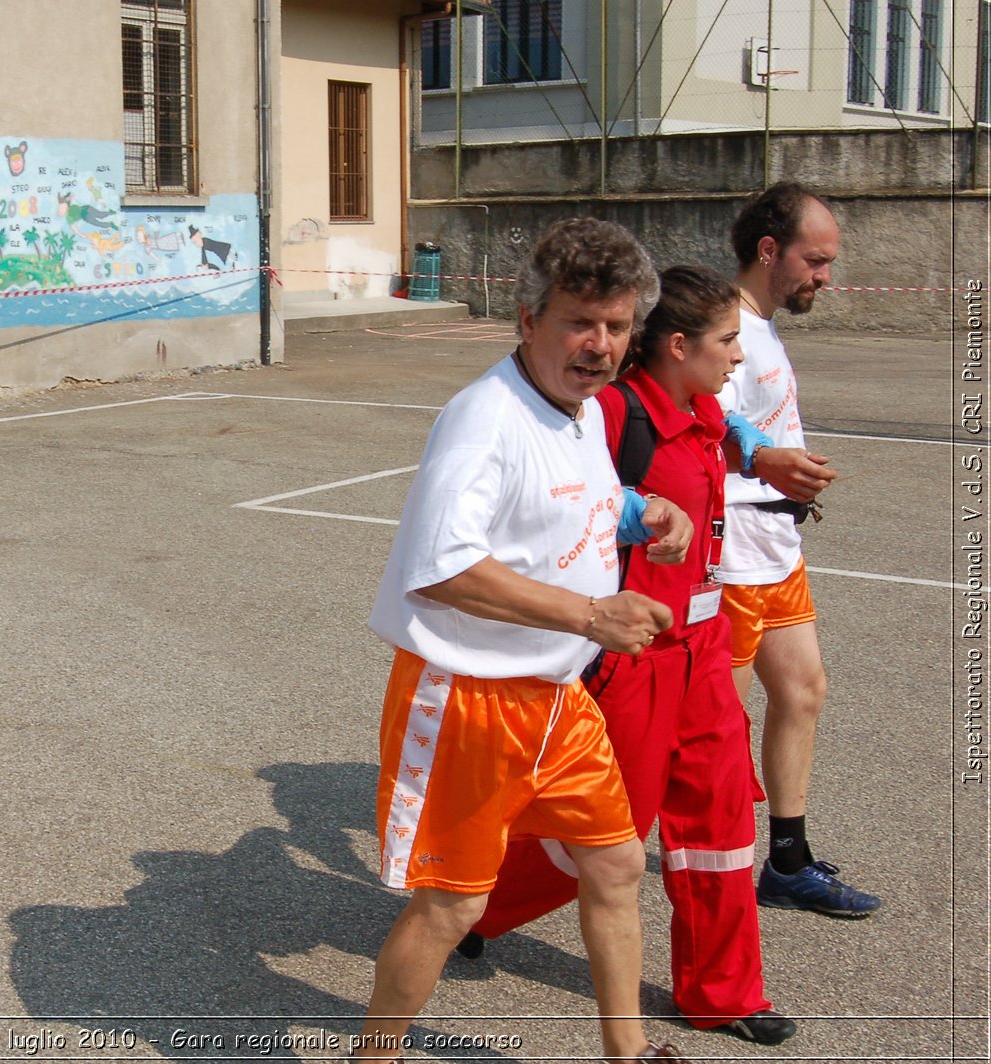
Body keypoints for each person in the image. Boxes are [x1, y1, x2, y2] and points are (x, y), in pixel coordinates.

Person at [356, 218, 697, 1064]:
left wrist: (641, 510)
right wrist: (589, 618)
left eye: (617, 327)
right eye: (580, 321)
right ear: (527, 319)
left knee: (617, 867)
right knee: (452, 908)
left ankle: (628, 1053)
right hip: (467, 699)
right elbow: (438, 569)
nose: (600, 344)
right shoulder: (482, 418)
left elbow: (571, 497)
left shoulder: (580, 410)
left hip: (556, 701)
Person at [457, 266, 796, 1045]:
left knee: (718, 826)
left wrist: (757, 450)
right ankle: (474, 904)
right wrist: (636, 515)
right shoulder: (612, 413)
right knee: (604, 835)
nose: (738, 358)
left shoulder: (703, 406)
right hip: (632, 658)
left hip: (705, 653)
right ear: (678, 345)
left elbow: (722, 436)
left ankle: (723, 992)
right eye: (727, 342)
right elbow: (559, 501)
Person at [721, 183, 880, 916]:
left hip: (777, 545)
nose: (824, 275)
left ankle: (786, 861)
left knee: (803, 691)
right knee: (692, 735)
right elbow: (699, 422)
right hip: (732, 557)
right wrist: (765, 462)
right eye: (815, 260)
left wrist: (787, 472)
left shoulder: (763, 322)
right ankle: (500, 885)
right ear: (768, 250)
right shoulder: (722, 323)